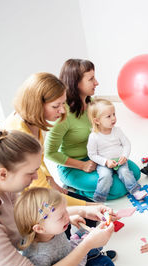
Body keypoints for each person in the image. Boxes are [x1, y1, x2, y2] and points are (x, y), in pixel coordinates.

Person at [0, 126, 115, 266]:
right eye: (30, 172)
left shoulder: (6, 188)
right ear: (3, 174)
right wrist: (87, 245)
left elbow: (36, 215)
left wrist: (82, 211)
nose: (35, 177)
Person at [45, 59, 140, 200]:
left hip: (100, 157)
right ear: (76, 83)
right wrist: (82, 165)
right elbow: (49, 153)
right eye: (91, 79)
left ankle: (94, 186)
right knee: (117, 187)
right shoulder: (62, 114)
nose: (96, 83)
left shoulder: (92, 105)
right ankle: (75, 191)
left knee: (135, 173)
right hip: (75, 166)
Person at [4, 72, 89, 206]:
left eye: (63, 104)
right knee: (84, 213)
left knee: (86, 208)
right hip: (22, 201)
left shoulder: (31, 121)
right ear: (36, 105)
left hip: (34, 191)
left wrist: (50, 179)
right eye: (56, 106)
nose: (62, 110)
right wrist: (89, 207)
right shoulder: (21, 136)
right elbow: (42, 193)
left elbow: (39, 159)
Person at [14, 188, 115, 266]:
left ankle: (94, 254)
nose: (66, 216)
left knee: (93, 237)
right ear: (40, 228)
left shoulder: (49, 229)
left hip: (69, 250)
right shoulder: (38, 256)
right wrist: (88, 244)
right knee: (106, 263)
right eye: (61, 216)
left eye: (65, 211)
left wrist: (70, 218)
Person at [87, 98, 147, 202]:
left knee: (125, 172)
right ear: (97, 120)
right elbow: (92, 154)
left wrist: (124, 156)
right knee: (105, 176)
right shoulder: (94, 136)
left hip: (120, 161)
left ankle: (136, 191)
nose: (113, 118)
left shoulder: (117, 131)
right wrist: (106, 162)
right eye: (109, 116)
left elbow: (126, 144)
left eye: (114, 114)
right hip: (104, 164)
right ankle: (99, 199)